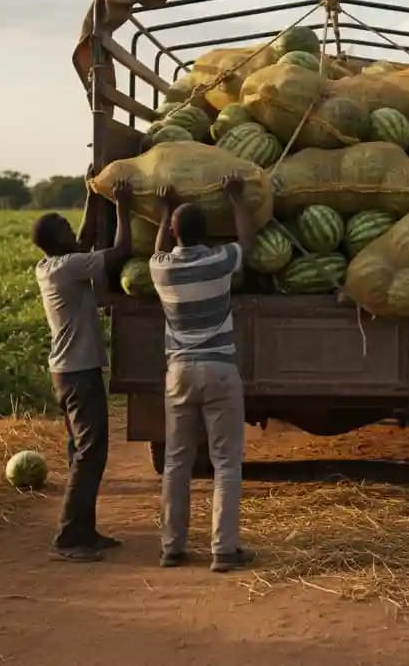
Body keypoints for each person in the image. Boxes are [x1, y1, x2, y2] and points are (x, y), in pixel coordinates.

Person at [149, 175, 254, 573]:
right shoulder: (219, 261)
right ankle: (223, 551)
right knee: (226, 462)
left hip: (178, 372)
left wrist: (163, 211)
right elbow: (248, 245)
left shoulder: (160, 270)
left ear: (174, 232)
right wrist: (237, 200)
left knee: (177, 462)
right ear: (207, 232)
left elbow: (159, 248)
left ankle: (171, 548)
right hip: (219, 369)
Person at [31, 181, 134, 562]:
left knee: (81, 452)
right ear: (56, 240)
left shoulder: (55, 265)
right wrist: (121, 206)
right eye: (63, 226)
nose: (72, 229)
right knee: (91, 452)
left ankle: (84, 530)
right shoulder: (68, 267)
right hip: (78, 373)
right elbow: (119, 250)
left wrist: (93, 195)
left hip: (68, 371)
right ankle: (69, 537)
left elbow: (87, 235)